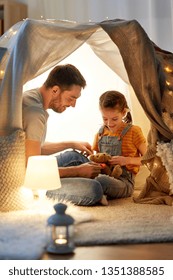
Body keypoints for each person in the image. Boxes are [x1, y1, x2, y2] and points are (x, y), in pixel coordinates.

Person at [48, 90, 147, 206]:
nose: (109, 123)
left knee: (100, 181)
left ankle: (54, 189)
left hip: (123, 181)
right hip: (102, 172)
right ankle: (50, 179)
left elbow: (149, 158)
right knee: (73, 156)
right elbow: (96, 158)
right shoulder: (100, 133)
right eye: (105, 119)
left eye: (114, 119)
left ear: (124, 113)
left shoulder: (134, 131)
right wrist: (89, 157)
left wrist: (127, 160)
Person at [22, 64, 102, 180]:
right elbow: (32, 168)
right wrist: (77, 171)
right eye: (71, 98)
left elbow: (34, 147)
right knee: (94, 189)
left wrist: (71, 144)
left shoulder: (32, 97)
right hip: (27, 177)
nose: (73, 105)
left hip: (31, 165)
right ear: (55, 90)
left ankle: (101, 177)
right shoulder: (35, 113)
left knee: (74, 156)